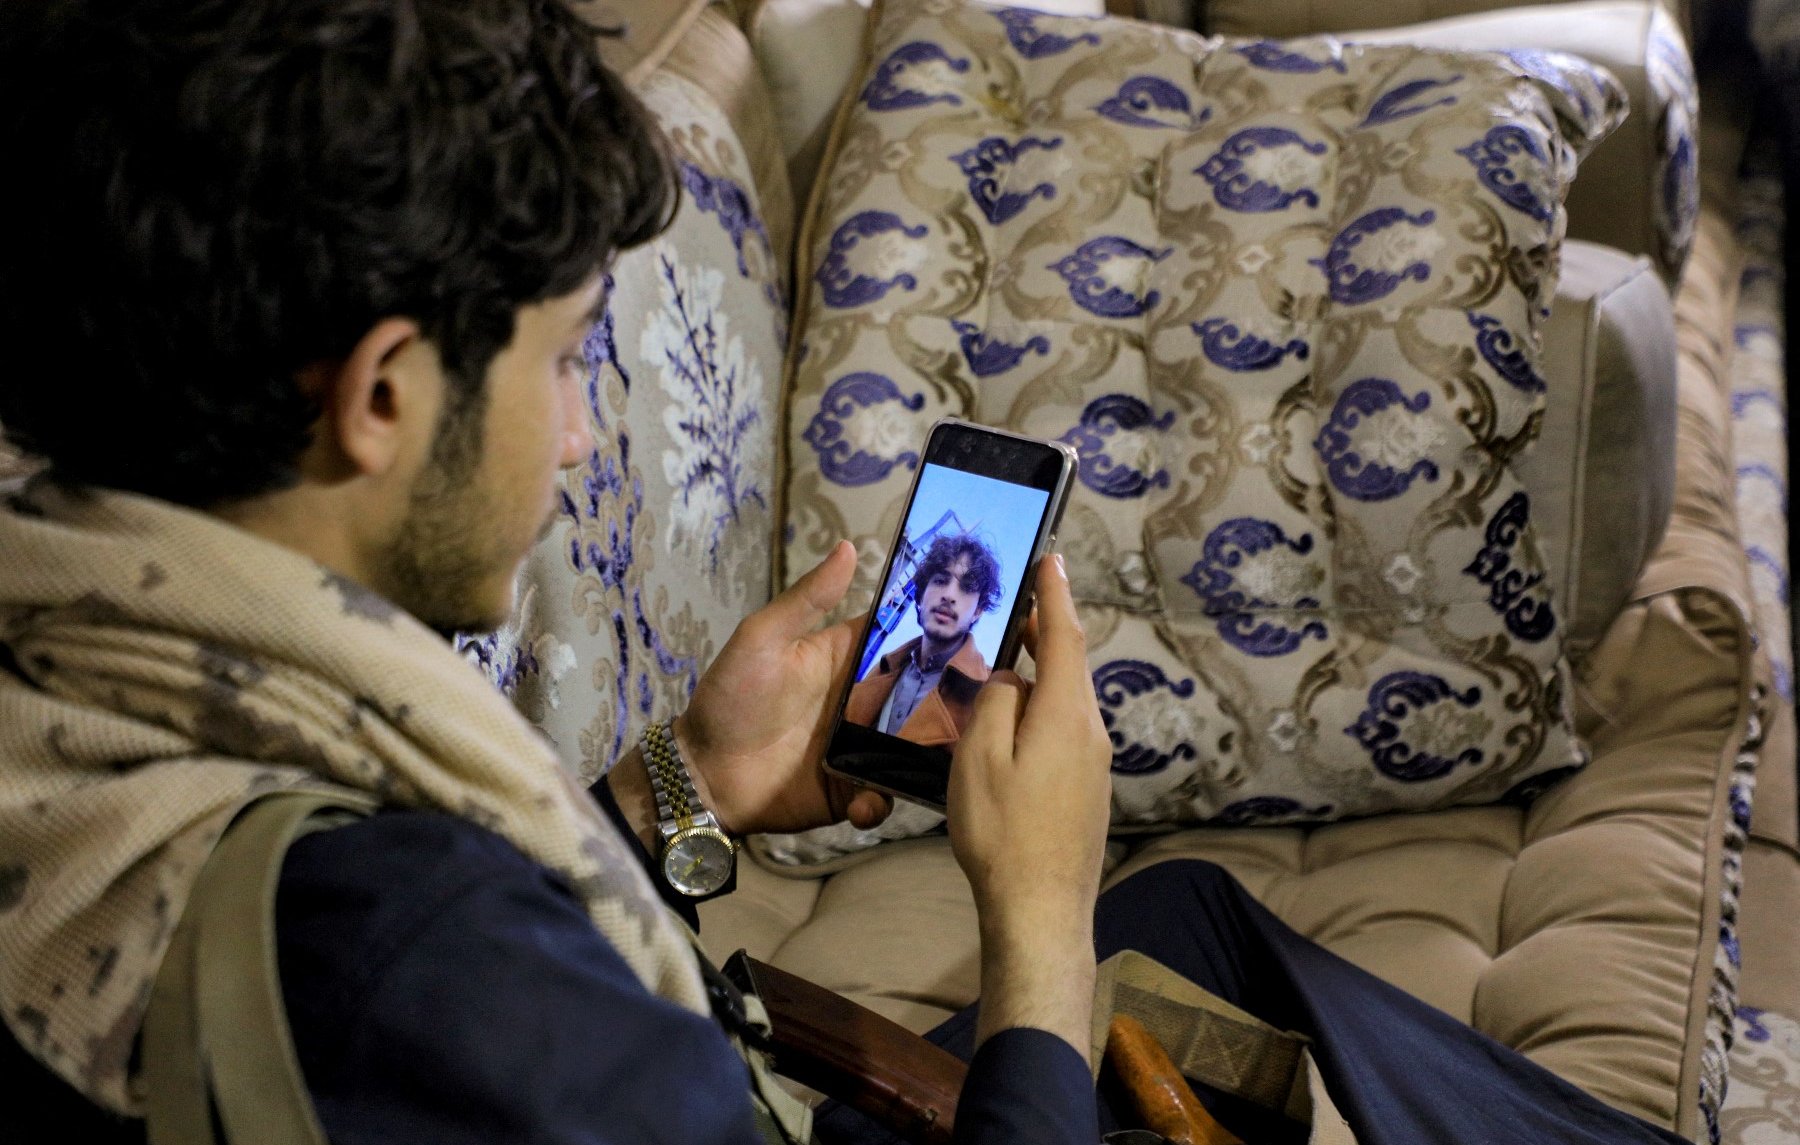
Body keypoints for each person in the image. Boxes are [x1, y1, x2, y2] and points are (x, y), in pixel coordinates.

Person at [0, 3, 1707, 1144]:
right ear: (381, 397)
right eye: (560, 365)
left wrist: (690, 784)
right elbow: (438, 981)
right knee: (1118, 943)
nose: (581, 445)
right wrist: (1034, 918)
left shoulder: (84, 665)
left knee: (1187, 926)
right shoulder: (423, 951)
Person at [847, 533, 1001, 746]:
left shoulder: (990, 695)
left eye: (966, 587)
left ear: (978, 611)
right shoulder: (880, 672)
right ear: (920, 596)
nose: (949, 595)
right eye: (940, 580)